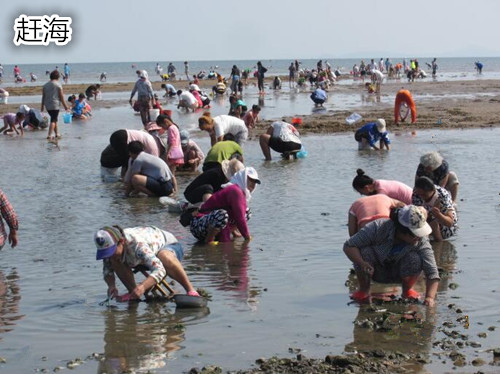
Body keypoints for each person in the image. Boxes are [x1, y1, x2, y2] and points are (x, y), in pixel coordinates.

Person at [343, 205, 439, 306]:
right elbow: (349, 246)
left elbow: (432, 271)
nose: (418, 238)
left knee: (415, 258)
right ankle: (363, 290)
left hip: (402, 273)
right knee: (365, 252)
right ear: (402, 230)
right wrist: (362, 263)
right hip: (374, 271)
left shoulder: (420, 240)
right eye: (414, 235)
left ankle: (407, 290)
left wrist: (429, 297)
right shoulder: (378, 227)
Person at [94, 225, 199, 301]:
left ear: (121, 242)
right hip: (140, 258)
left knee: (164, 256)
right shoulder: (110, 251)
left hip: (169, 247)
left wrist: (143, 286)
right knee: (114, 261)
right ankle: (133, 294)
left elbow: (160, 269)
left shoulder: (137, 244)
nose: (110, 255)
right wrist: (111, 286)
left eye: (112, 251)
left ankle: (191, 290)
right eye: (106, 253)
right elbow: (107, 270)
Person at [188, 167, 260, 243]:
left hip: (211, 223)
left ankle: (230, 232)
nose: (253, 184)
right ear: (243, 178)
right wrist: (247, 237)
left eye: (255, 182)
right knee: (222, 214)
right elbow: (239, 218)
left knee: (247, 212)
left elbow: (236, 214)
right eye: (250, 180)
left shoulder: (241, 192)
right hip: (198, 225)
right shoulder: (235, 191)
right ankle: (209, 240)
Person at [412, 176, 458, 242]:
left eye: (424, 195)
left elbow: (450, 223)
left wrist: (438, 214)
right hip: (425, 220)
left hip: (446, 227)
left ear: (432, 190)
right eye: (419, 194)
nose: (421, 197)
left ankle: (439, 244)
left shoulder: (442, 195)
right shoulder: (416, 193)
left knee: (433, 222)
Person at [41, 70, 69, 140]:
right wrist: (65, 106)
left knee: (54, 119)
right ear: (58, 77)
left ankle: (57, 134)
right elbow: (61, 96)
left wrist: (42, 106)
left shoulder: (45, 85)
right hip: (55, 104)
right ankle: (49, 135)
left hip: (48, 105)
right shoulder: (58, 84)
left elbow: (43, 96)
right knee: (53, 120)